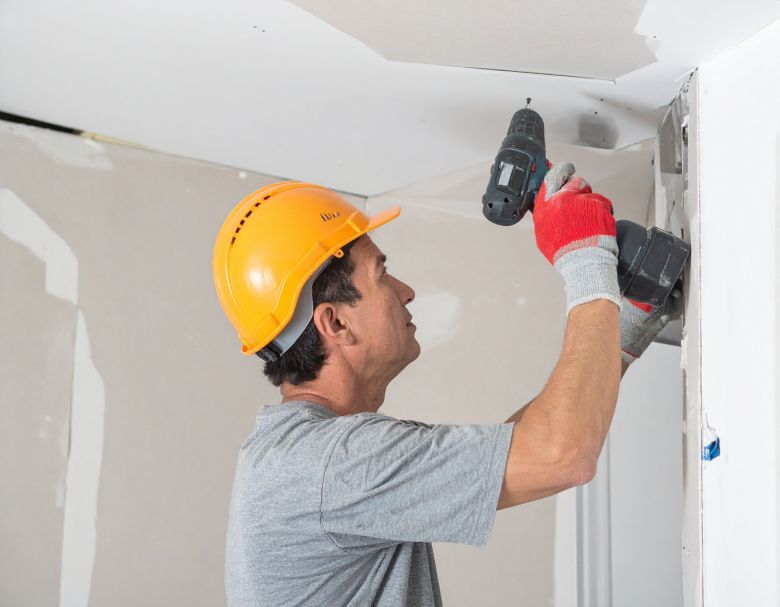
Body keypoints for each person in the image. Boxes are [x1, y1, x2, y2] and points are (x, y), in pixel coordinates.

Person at [212, 165, 680, 606]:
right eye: (381, 274)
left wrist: (618, 336)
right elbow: (561, 455)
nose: (405, 290)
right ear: (335, 322)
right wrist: (585, 258)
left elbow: (519, 454)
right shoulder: (332, 465)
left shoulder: (302, 459)